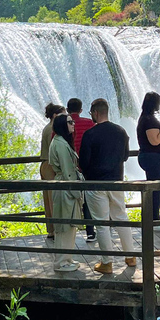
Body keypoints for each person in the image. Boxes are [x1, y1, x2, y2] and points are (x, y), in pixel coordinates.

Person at [79, 98, 136, 274]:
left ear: (95, 113)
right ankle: (131, 256)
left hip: (96, 183)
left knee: (102, 223)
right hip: (117, 181)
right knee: (121, 217)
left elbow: (83, 162)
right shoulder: (121, 131)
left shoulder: (90, 134)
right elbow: (125, 156)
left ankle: (107, 262)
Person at [48, 113, 84, 272]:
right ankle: (61, 262)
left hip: (65, 187)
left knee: (68, 226)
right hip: (66, 189)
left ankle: (66, 259)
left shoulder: (60, 141)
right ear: (63, 125)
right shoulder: (61, 144)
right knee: (64, 226)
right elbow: (68, 170)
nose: (73, 124)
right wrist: (77, 192)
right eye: (70, 122)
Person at [137, 92, 160, 233]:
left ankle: (152, 219)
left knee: (158, 188)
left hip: (152, 158)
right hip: (153, 158)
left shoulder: (146, 118)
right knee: (156, 188)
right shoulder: (149, 120)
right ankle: (154, 220)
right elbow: (155, 140)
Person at [67, 98, 96, 242]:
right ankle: (91, 231)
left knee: (70, 199)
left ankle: (68, 232)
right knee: (89, 198)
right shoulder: (89, 123)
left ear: (67, 110)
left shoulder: (62, 125)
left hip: (70, 168)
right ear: (81, 110)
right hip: (88, 166)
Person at [39, 102, 65, 240]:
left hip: (44, 164)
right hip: (51, 165)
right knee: (54, 198)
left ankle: (51, 230)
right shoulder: (53, 129)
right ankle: (58, 230)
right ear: (55, 115)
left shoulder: (47, 127)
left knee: (48, 198)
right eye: (63, 113)